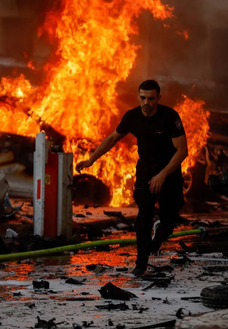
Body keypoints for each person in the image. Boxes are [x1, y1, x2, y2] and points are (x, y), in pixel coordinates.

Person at [76, 80, 188, 276]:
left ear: (158, 98)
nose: (147, 102)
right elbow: (112, 138)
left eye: (151, 99)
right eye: (143, 98)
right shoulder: (132, 116)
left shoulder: (170, 117)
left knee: (169, 220)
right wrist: (91, 159)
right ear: (138, 97)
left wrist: (162, 175)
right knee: (143, 217)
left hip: (169, 173)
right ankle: (141, 264)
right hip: (145, 172)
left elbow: (182, 151)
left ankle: (160, 233)